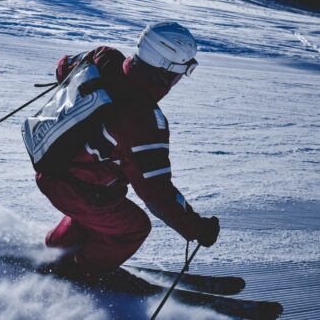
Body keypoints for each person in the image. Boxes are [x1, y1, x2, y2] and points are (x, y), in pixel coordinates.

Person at [36, 22, 220, 280]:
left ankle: (56, 252)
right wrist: (197, 228)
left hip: (50, 165)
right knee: (133, 227)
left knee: (103, 205)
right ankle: (79, 272)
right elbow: (156, 193)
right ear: (165, 70)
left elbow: (63, 66)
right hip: (76, 187)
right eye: (182, 72)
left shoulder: (104, 57)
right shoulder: (143, 121)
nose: (179, 81)